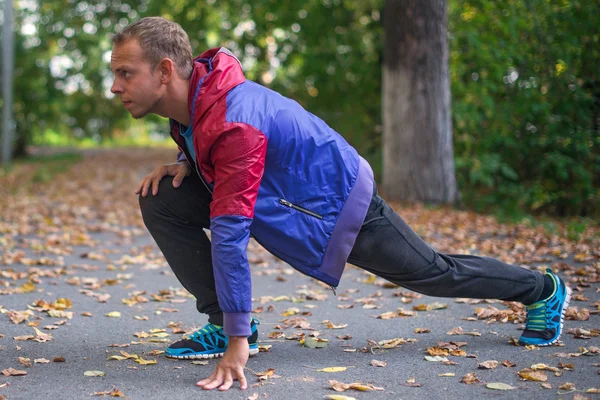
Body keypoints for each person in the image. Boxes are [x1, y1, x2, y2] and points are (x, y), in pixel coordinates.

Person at [109, 17, 571, 392]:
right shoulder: (198, 106)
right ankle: (223, 319)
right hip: (295, 193)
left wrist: (236, 344)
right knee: (163, 199)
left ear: (166, 71)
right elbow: (213, 147)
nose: (114, 86)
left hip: (339, 202)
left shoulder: (233, 121)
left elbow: (231, 232)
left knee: (431, 273)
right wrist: (185, 163)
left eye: (125, 72)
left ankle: (542, 289)